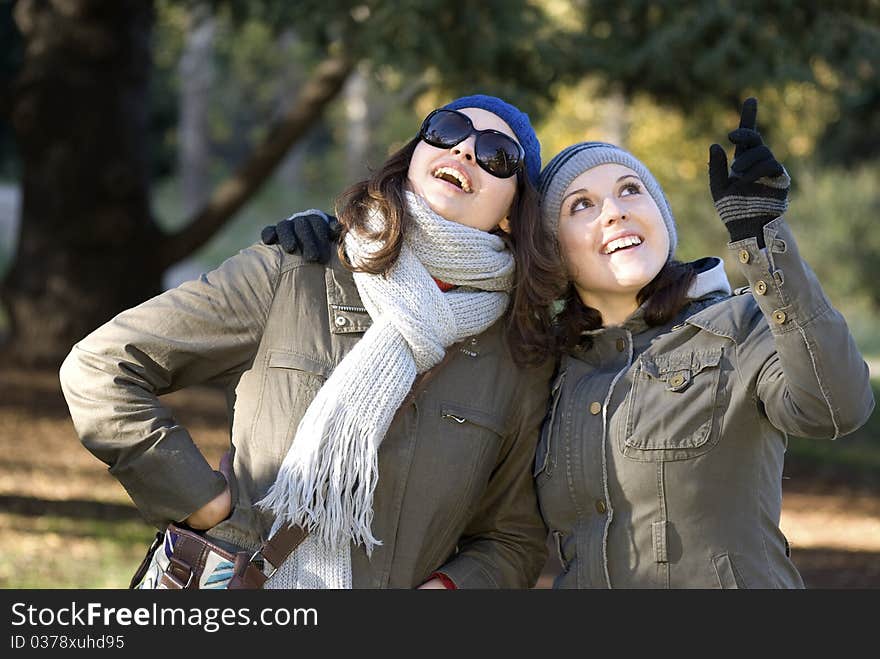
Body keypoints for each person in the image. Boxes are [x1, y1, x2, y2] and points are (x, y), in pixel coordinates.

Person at [60, 94, 560, 589]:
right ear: (413, 157)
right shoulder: (297, 269)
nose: (465, 152)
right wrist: (196, 498)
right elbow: (100, 367)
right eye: (447, 130)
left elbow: (510, 539)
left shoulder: (520, 356)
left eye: (497, 154)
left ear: (513, 213)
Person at [531, 98, 874, 588]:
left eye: (631, 191)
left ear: (660, 219)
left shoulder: (739, 322)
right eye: (581, 204)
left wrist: (763, 240)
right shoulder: (549, 372)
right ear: (553, 249)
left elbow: (838, 406)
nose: (614, 212)